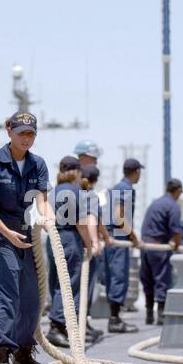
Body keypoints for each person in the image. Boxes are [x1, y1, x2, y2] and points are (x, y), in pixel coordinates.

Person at [0, 111, 54, 364]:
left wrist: (47, 219)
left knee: (31, 298)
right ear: (9, 130)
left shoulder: (38, 164)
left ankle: (23, 354)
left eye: (31, 134)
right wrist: (6, 232)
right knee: (7, 298)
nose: (26, 139)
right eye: (21, 133)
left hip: (23, 235)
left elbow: (42, 201)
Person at [46, 156, 93, 348]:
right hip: (70, 239)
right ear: (77, 172)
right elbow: (81, 222)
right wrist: (89, 244)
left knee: (57, 282)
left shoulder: (52, 191)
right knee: (70, 284)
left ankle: (59, 326)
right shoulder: (76, 191)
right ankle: (57, 327)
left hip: (53, 238)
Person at [104, 158, 144, 333]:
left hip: (110, 236)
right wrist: (134, 237)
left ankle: (114, 317)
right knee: (119, 277)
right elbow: (120, 217)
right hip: (119, 237)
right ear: (136, 171)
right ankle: (115, 320)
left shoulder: (116, 187)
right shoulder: (126, 188)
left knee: (112, 277)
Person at [140, 178, 183, 325]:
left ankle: (149, 315)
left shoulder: (155, 203)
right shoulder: (173, 206)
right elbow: (176, 230)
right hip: (159, 247)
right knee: (162, 280)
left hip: (146, 246)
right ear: (177, 191)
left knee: (148, 280)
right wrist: (176, 245)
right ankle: (161, 316)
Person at [74, 139, 104, 337]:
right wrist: (93, 243)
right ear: (83, 157)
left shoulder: (72, 180)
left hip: (75, 238)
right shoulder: (80, 184)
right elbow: (88, 217)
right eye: (93, 159)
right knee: (77, 283)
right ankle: (76, 325)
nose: (96, 162)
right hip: (78, 240)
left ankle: (81, 321)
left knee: (84, 283)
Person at [80, 164, 113, 338]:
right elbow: (93, 220)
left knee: (69, 287)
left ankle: (68, 326)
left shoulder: (70, 193)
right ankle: (81, 327)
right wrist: (97, 242)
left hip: (65, 244)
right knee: (85, 287)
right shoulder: (91, 195)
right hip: (83, 247)